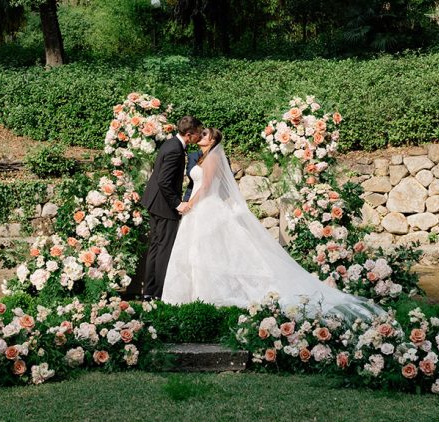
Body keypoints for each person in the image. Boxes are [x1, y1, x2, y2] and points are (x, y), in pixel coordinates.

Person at [161, 128, 384, 321]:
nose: (201, 136)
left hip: (206, 207)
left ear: (212, 141)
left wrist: (188, 204)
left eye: (205, 134)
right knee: (199, 252)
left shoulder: (212, 159)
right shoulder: (202, 157)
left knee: (207, 252)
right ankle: (194, 297)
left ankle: (208, 296)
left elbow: (208, 186)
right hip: (202, 210)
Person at [141, 115, 203, 300]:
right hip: (163, 205)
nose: (199, 137)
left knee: (155, 247)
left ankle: (149, 292)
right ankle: (159, 293)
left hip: (154, 202)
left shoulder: (170, 144)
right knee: (164, 249)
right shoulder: (176, 150)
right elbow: (164, 181)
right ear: (190, 134)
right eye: (198, 134)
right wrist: (177, 204)